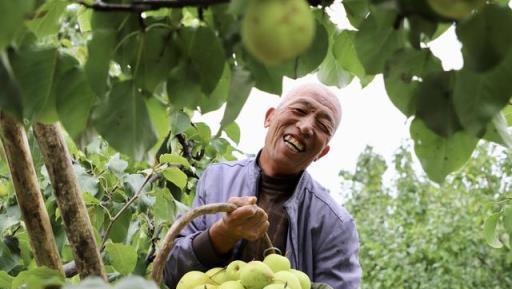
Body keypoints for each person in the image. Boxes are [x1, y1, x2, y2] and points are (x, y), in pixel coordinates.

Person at [163, 83, 362, 289]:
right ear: (269, 117)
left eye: (322, 126)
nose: (306, 126)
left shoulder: (336, 224)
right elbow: (170, 272)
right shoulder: (217, 178)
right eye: (299, 110)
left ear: (322, 152)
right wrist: (223, 233)